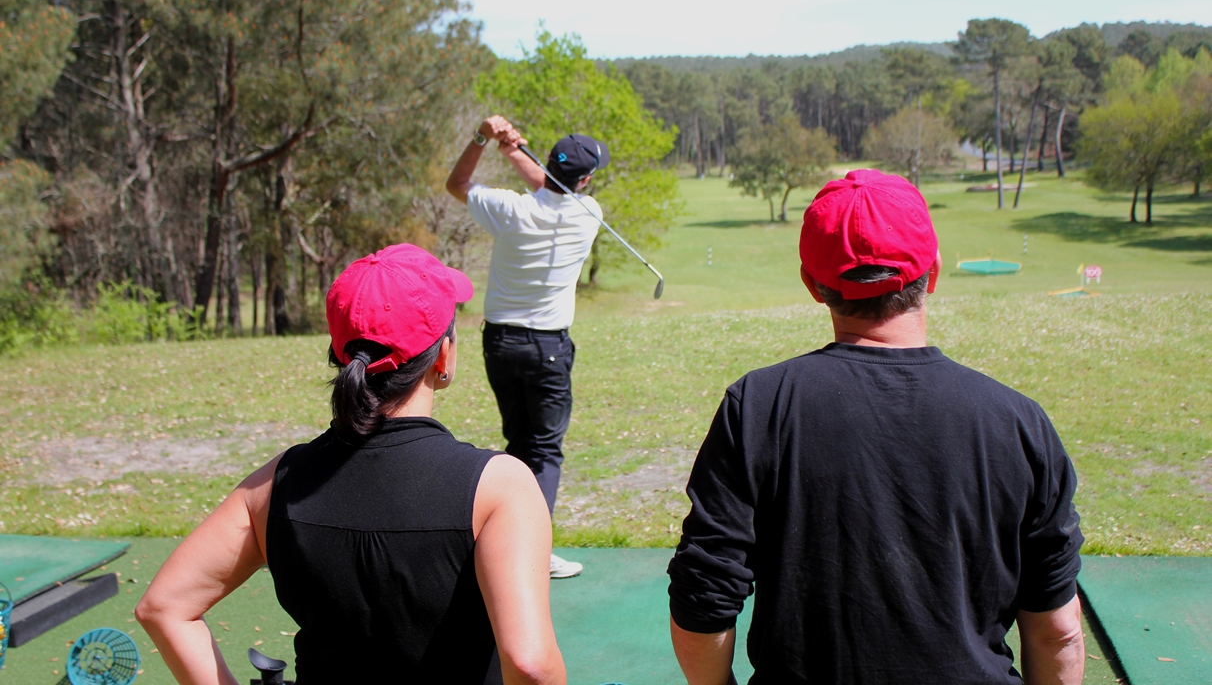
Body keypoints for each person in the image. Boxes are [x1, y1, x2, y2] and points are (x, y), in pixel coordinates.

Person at [667, 169, 1085, 685]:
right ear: (932, 273)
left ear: (813, 285)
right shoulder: (1020, 422)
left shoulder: (756, 405)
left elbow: (704, 596)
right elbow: (1056, 630)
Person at [137, 244, 565, 685]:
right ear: (443, 355)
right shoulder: (501, 487)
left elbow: (165, 607)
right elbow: (530, 665)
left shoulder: (274, 483)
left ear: (341, 354)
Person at [446, 115, 608, 579]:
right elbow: (555, 186)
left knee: (519, 445)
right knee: (545, 453)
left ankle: (503, 544)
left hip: (499, 343)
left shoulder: (509, 209)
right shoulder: (589, 213)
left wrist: (485, 138)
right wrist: (513, 150)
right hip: (548, 349)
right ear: (587, 179)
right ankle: (530, 554)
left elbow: (457, 182)